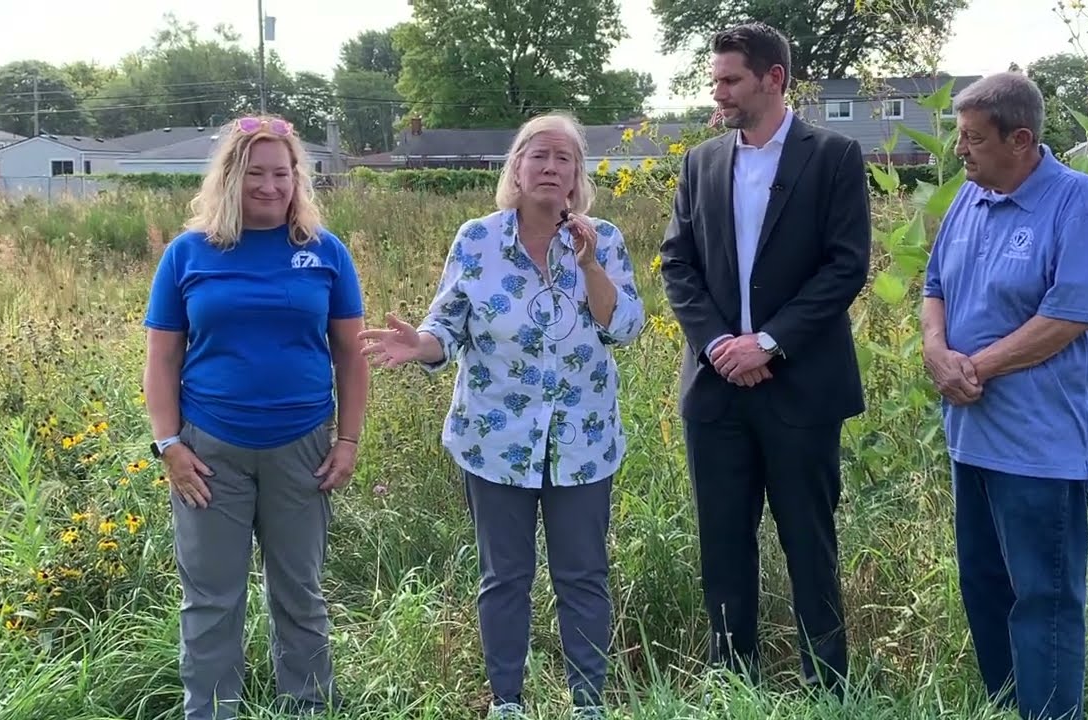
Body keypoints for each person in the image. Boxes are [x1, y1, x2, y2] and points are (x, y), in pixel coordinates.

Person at [358, 111, 645, 719]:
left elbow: (624, 327)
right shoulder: (478, 239)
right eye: (537, 156)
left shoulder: (606, 238)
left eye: (562, 159)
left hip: (582, 440)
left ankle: (588, 704)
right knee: (504, 577)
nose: (549, 168)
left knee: (584, 576)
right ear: (515, 168)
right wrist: (422, 346)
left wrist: (590, 262)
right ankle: (507, 702)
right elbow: (448, 324)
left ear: (576, 175)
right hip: (495, 440)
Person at [658, 22, 872, 696]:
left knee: (810, 545)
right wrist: (721, 345)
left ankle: (827, 688)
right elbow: (677, 263)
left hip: (801, 388)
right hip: (716, 392)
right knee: (723, 544)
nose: (716, 92)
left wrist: (769, 341)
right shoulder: (700, 162)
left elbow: (846, 266)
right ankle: (733, 686)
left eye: (729, 80)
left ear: (773, 79)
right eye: (715, 79)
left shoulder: (834, 157)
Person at [142, 114, 369, 720]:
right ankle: (211, 710)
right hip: (208, 452)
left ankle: (308, 707)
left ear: (298, 179)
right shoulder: (188, 253)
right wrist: (168, 444)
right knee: (212, 600)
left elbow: (351, 353)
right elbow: (162, 358)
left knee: (300, 595)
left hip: (304, 449)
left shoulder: (325, 252)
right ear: (229, 179)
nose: (269, 186)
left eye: (282, 173)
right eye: (254, 174)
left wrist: (347, 440)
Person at [921, 71, 1088, 720]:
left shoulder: (1073, 200)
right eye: (959, 135)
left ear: (1022, 139)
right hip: (971, 440)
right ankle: (1008, 708)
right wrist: (935, 352)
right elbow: (934, 287)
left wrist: (975, 367)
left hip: (1040, 448)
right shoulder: (967, 201)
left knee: (1044, 602)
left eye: (974, 139)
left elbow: (1070, 314)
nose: (961, 150)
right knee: (985, 589)